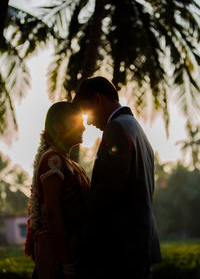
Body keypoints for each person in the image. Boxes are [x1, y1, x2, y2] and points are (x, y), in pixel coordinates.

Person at [72, 76, 162, 279]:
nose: (88, 122)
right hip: (138, 245)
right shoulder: (135, 127)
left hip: (121, 250)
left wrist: (74, 214)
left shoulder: (116, 128)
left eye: (87, 113)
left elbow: (109, 191)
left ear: (98, 100)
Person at [24, 101, 90, 279]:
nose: (83, 127)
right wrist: (66, 263)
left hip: (74, 248)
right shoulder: (53, 159)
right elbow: (53, 214)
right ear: (58, 127)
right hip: (59, 258)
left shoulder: (68, 162)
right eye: (76, 122)